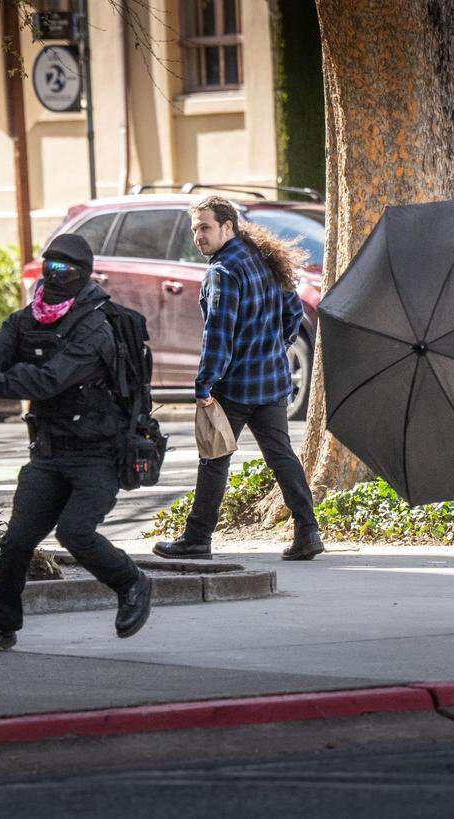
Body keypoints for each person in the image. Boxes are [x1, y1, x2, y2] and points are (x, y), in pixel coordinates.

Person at [0, 234, 152, 654]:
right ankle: (2, 626)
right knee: (17, 541)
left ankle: (131, 582)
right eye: (49, 267)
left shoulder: (94, 328)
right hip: (49, 451)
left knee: (75, 533)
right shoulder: (29, 318)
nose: (55, 277)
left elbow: (47, 381)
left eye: (65, 270)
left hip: (97, 452)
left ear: (83, 275)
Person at [153, 196, 323, 562]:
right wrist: (276, 346)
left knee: (214, 460)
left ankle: (197, 539)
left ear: (227, 227)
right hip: (271, 381)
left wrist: (204, 383)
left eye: (206, 227)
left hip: (234, 387)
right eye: (195, 229)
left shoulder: (223, 271)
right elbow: (293, 311)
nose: (199, 236)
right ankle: (308, 531)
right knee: (281, 456)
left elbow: (219, 333)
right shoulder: (263, 258)